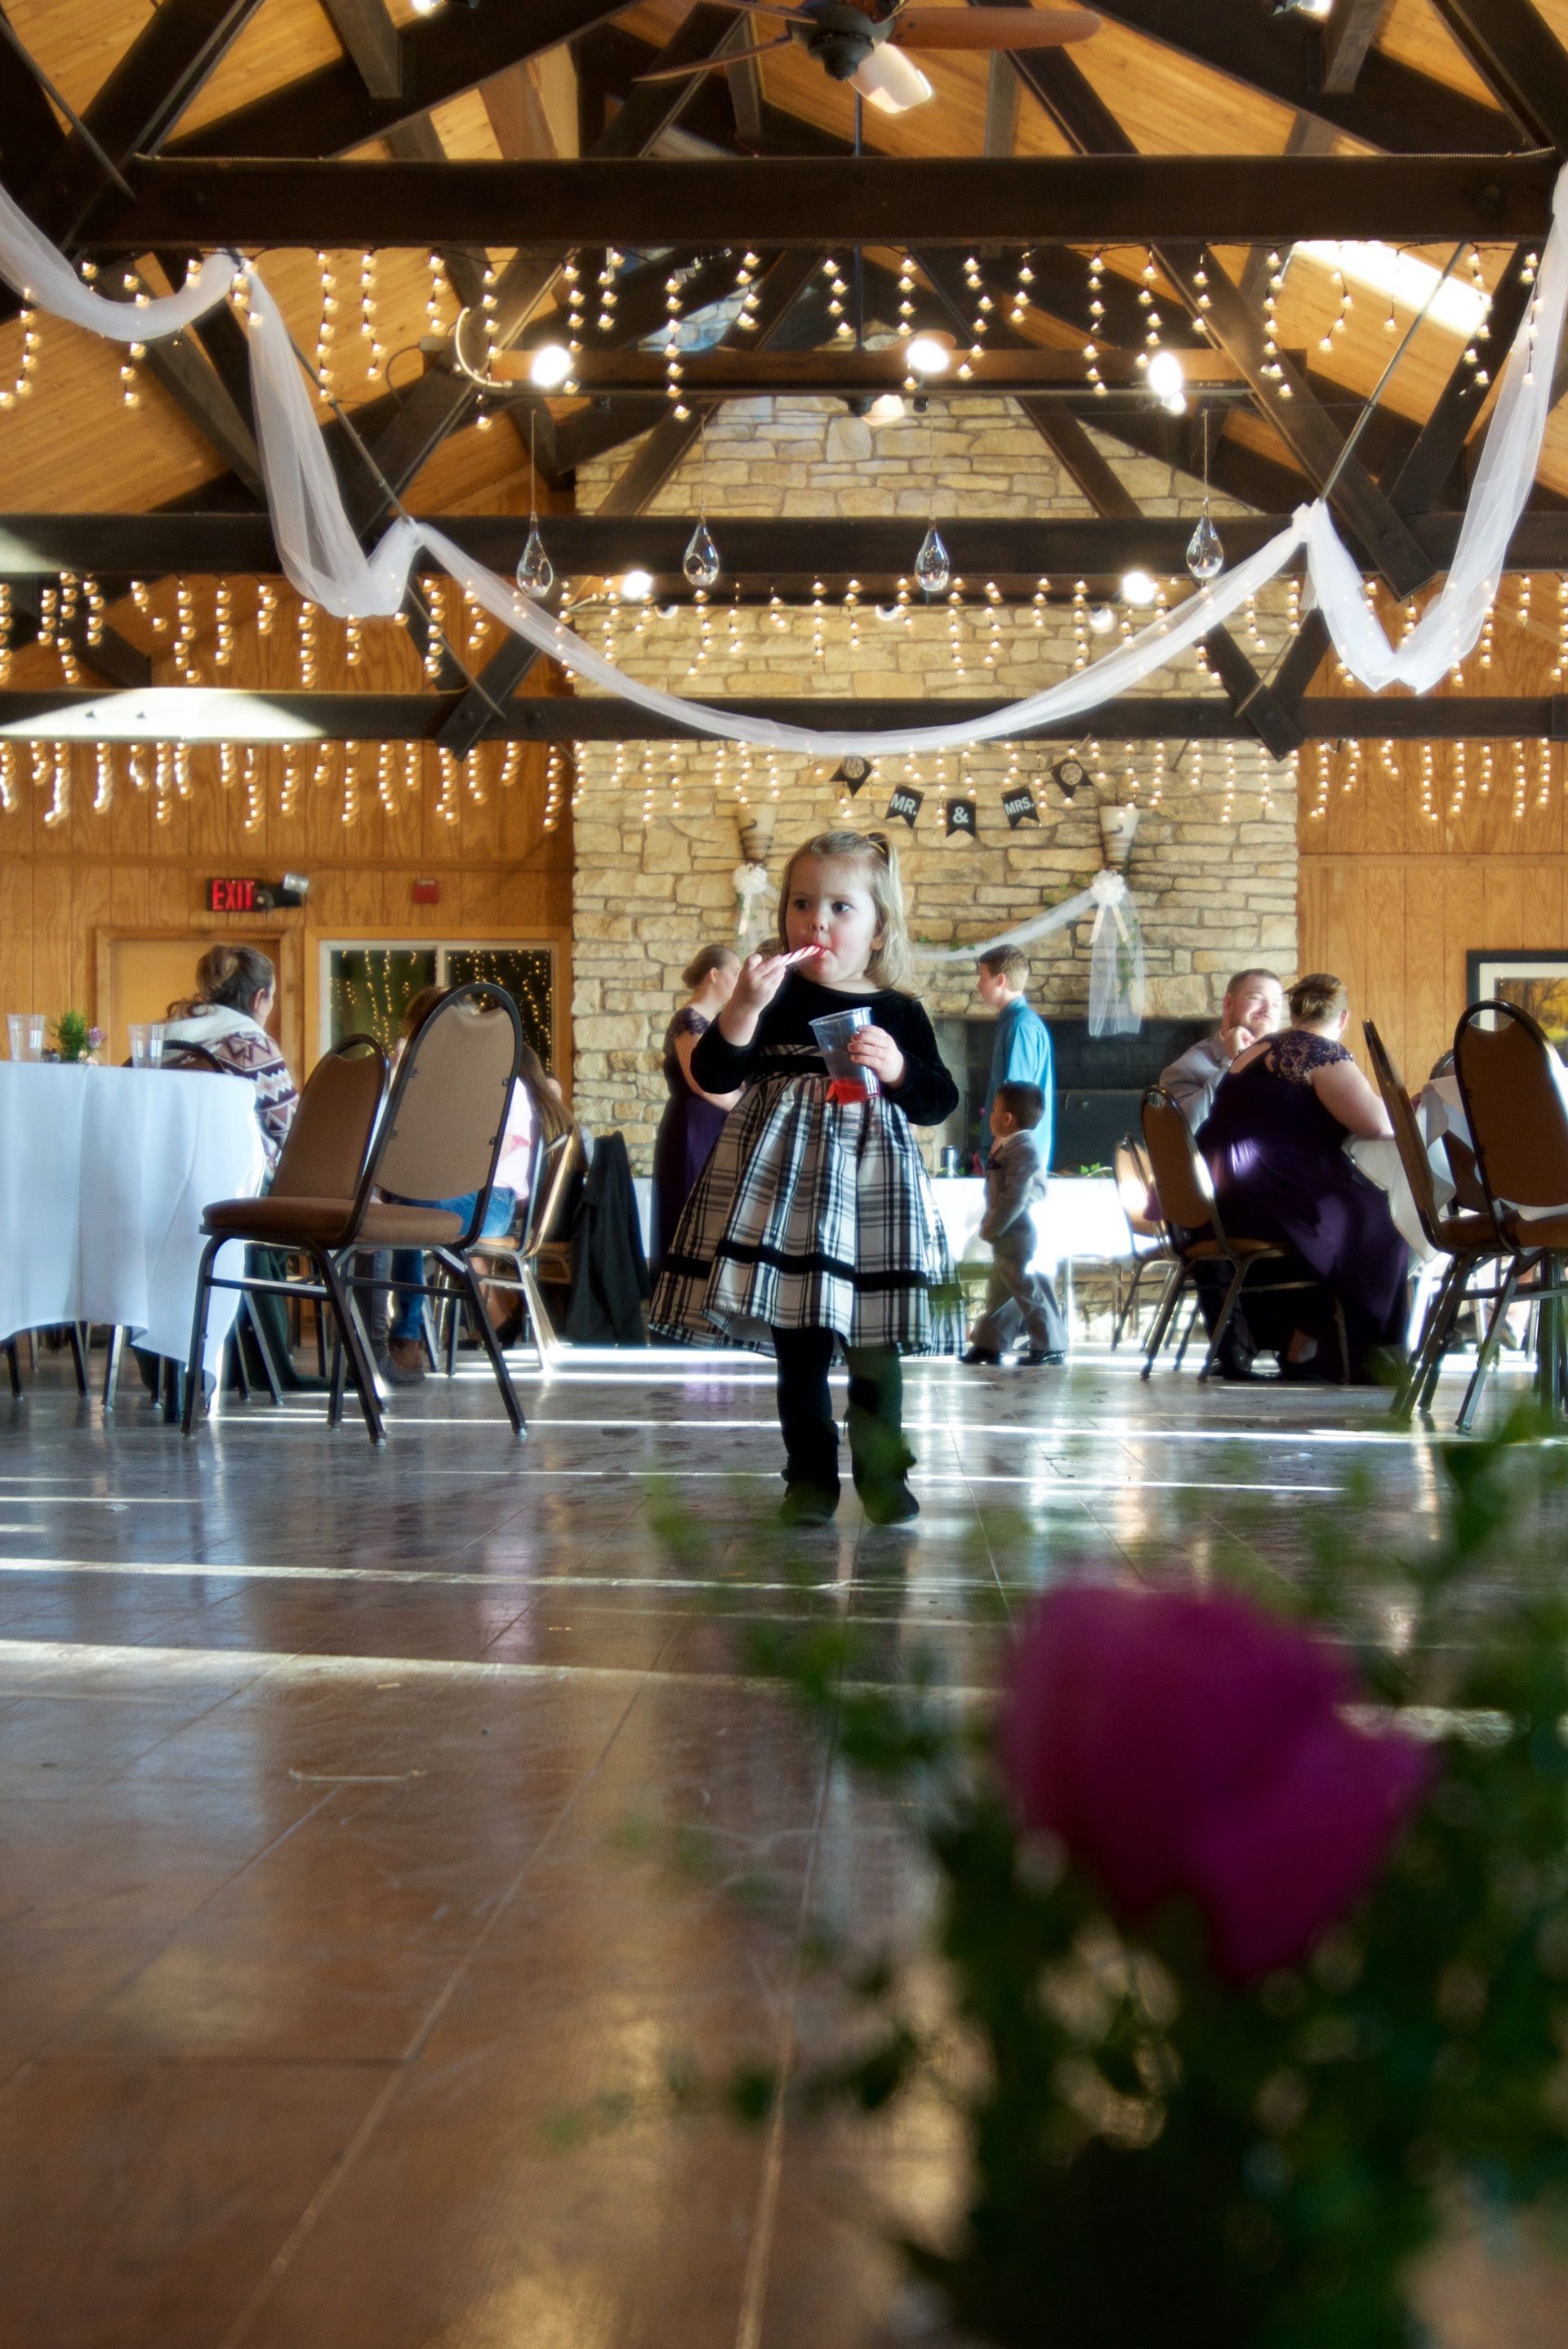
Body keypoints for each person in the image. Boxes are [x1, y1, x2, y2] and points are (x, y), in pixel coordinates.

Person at [649, 829, 960, 1527]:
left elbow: (939, 1101)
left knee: (876, 1345)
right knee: (801, 1347)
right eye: (801, 904)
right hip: (784, 1199)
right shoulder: (775, 999)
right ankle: (808, 1479)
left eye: (841, 908)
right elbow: (714, 1075)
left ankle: (883, 1475)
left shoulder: (900, 1011)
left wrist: (899, 1069)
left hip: (872, 1197)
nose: (816, 920)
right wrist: (741, 1010)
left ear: (879, 931)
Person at [1197, 972, 1407, 1383]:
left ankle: (1304, 1348)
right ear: (1343, 1018)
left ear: (1294, 1011)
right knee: (1383, 1219)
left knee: (1356, 1212)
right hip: (1272, 1200)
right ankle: (1367, 1354)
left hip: (1227, 1197)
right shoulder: (1318, 1051)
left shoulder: (1257, 1049)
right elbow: (1378, 1124)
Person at [373, 990, 559, 1387]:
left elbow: (485, 1158)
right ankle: (370, 1336)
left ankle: (403, 1338)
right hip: (430, 1195)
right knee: (383, 1211)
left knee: (408, 1211)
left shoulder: (502, 1083)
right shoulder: (420, 1087)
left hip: (490, 1198)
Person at [960, 1081, 1068, 1369]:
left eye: (993, 1110)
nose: (989, 1115)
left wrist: (993, 1226)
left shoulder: (1023, 1148)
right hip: (1010, 1234)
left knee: (1028, 1290)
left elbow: (1016, 1195)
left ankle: (1050, 1345)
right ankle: (989, 1343)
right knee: (1001, 1292)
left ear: (1007, 1119)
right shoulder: (1011, 1145)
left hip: (1018, 1232)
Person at [163, 943, 298, 1166]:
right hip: (245, 1187)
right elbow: (295, 1137)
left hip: (169, 1173)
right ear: (259, 998)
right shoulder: (252, 1049)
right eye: (272, 996)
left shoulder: (163, 1045)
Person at [652, 944, 741, 1270]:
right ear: (714, 975)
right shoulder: (689, 1019)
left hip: (712, 1125)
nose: (738, 979)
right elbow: (702, 1084)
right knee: (691, 1205)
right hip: (693, 1126)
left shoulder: (713, 1022)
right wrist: (744, 1107)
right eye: (735, 971)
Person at [1159, 967, 1285, 1131]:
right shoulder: (1186, 1068)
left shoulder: (1289, 1060)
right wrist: (1235, 1062)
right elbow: (1180, 1133)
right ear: (1228, 1004)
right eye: (1256, 998)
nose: (1267, 1009)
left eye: (1276, 1004)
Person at [975, 947, 1054, 1166]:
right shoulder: (1015, 1022)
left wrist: (997, 1149)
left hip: (1014, 1156)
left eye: (983, 978)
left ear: (1000, 980)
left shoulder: (1020, 1026)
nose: (978, 986)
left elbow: (1018, 1098)